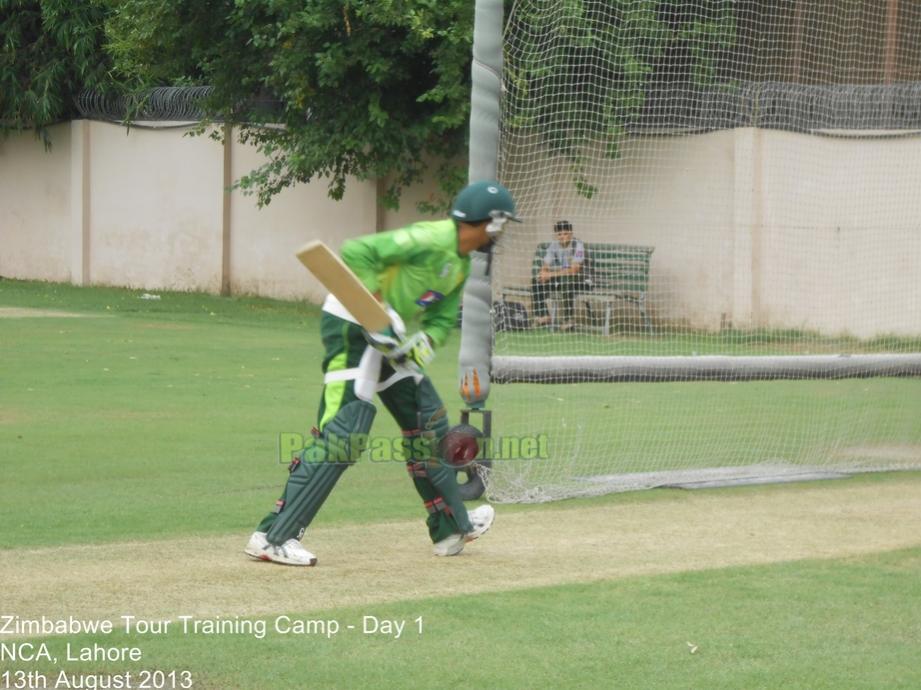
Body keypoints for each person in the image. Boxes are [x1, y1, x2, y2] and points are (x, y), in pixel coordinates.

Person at [244, 181, 520, 566]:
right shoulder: (429, 238)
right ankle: (275, 536)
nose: (500, 234)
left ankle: (452, 526)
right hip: (351, 324)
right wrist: (372, 301)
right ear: (487, 223)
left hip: (393, 338)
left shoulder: (458, 264)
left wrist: (423, 344)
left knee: (428, 424)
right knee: (346, 430)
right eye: (500, 225)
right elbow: (358, 251)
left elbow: (441, 319)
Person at [531, 220, 590, 331]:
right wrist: (543, 273)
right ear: (556, 236)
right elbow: (546, 264)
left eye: (565, 233)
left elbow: (574, 270)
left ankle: (568, 320)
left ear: (571, 233)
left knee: (566, 278)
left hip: (582, 281)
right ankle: (543, 315)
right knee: (537, 280)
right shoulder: (554, 245)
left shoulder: (578, 246)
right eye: (559, 234)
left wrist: (550, 274)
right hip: (562, 279)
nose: (563, 237)